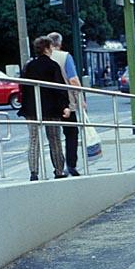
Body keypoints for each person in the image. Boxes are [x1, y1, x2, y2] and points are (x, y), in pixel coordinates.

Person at [18, 36, 70, 181]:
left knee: (33, 139)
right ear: (47, 48)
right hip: (51, 109)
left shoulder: (29, 66)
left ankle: (34, 172)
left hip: (32, 109)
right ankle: (59, 170)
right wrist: (64, 106)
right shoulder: (53, 66)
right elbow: (60, 88)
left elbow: (23, 87)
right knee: (54, 139)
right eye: (51, 47)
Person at [47, 31, 82, 176]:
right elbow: (73, 80)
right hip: (67, 102)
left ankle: (58, 168)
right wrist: (80, 98)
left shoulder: (43, 58)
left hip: (49, 103)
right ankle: (71, 164)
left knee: (54, 137)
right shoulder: (65, 57)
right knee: (71, 133)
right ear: (60, 43)